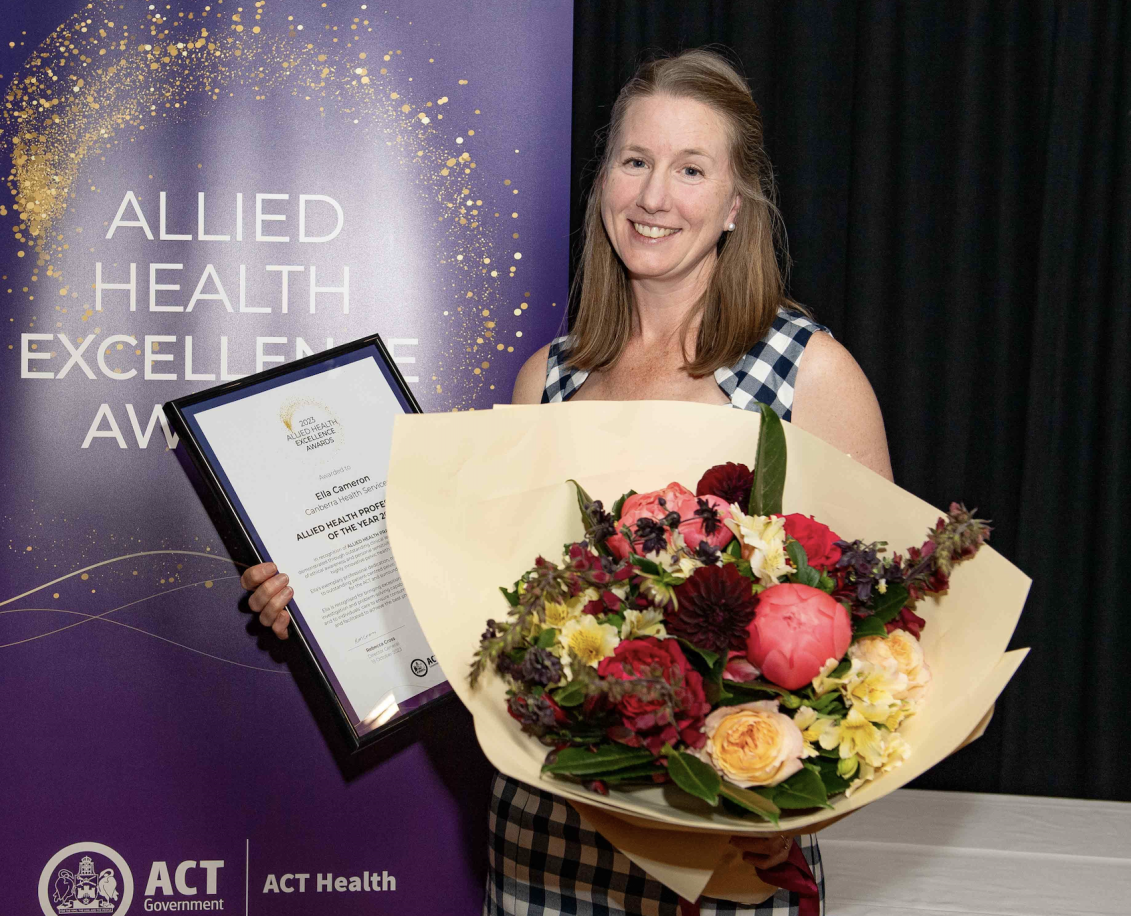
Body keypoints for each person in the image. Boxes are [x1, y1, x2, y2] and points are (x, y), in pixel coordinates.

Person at [241, 48, 891, 916]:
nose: (655, 196)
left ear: (736, 205)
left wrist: (793, 796)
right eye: (634, 161)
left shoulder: (804, 375)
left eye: (691, 169)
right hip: (546, 844)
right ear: (603, 185)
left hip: (730, 844)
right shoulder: (544, 379)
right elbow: (485, 609)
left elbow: (884, 635)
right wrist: (324, 606)